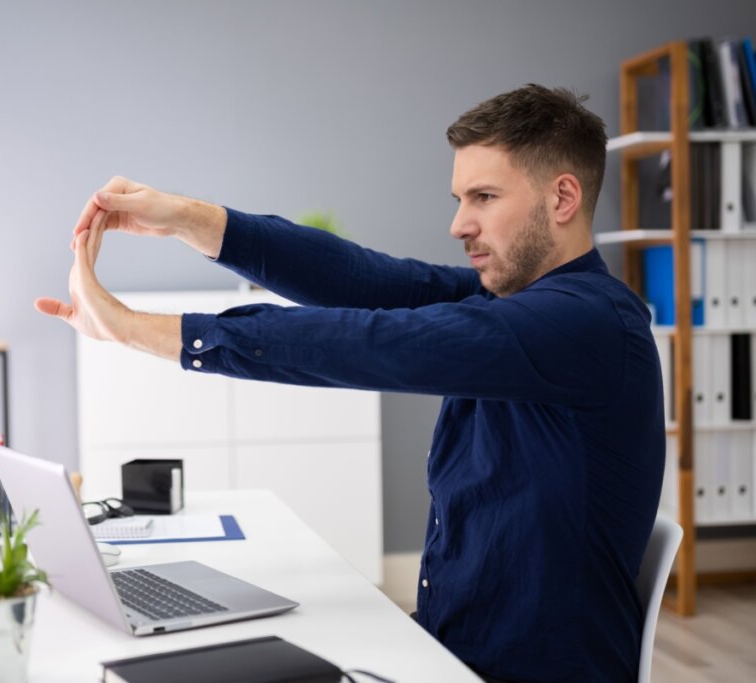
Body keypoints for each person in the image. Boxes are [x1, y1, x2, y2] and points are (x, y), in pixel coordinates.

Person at [35, 84, 664, 683]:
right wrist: (185, 218)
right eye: (459, 200)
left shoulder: (589, 323)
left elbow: (376, 344)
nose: (460, 224)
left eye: (485, 198)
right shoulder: (509, 305)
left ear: (562, 199)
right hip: (446, 651)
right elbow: (365, 280)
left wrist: (129, 328)